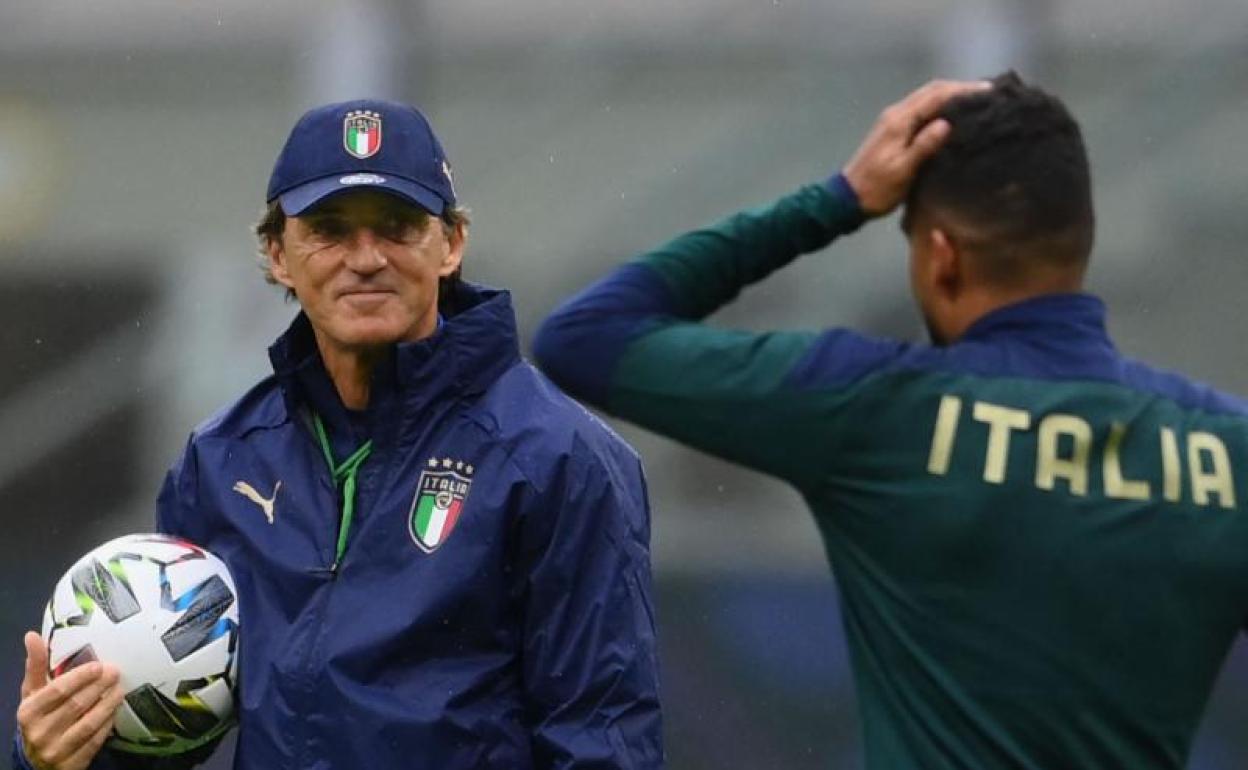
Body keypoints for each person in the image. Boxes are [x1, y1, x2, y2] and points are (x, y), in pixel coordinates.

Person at [533, 73, 1248, 769]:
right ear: (1081, 238)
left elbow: (585, 337)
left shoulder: (875, 408)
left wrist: (838, 200)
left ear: (940, 255)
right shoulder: (1224, 449)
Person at [15, 99, 664, 769]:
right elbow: (166, 735)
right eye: (329, 229)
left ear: (451, 245)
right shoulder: (223, 460)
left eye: (397, 226)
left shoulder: (558, 458)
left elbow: (602, 741)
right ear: (278, 255)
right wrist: (66, 753)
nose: (366, 258)